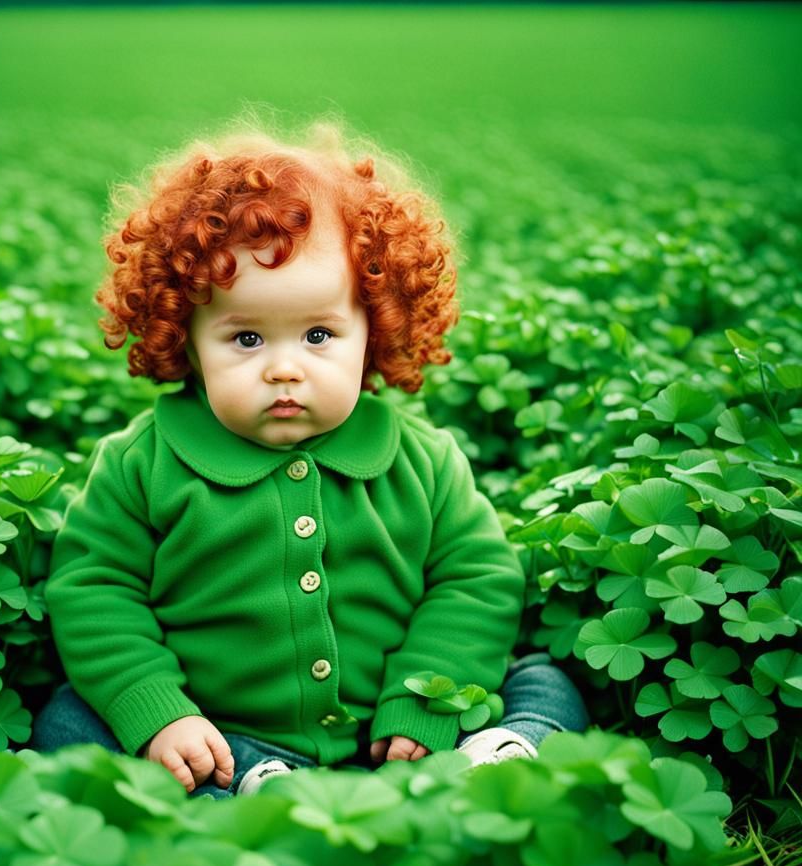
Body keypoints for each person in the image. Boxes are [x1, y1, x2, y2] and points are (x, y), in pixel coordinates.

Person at [33, 118, 588, 798]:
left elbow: (475, 580)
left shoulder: (424, 461)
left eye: (320, 334)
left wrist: (429, 697)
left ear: (376, 329)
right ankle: (254, 789)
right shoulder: (140, 465)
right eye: (245, 339)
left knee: (543, 678)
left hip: (401, 734)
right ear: (185, 335)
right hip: (226, 735)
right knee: (71, 718)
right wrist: (160, 714)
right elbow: (96, 590)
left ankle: (492, 757)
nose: (284, 370)